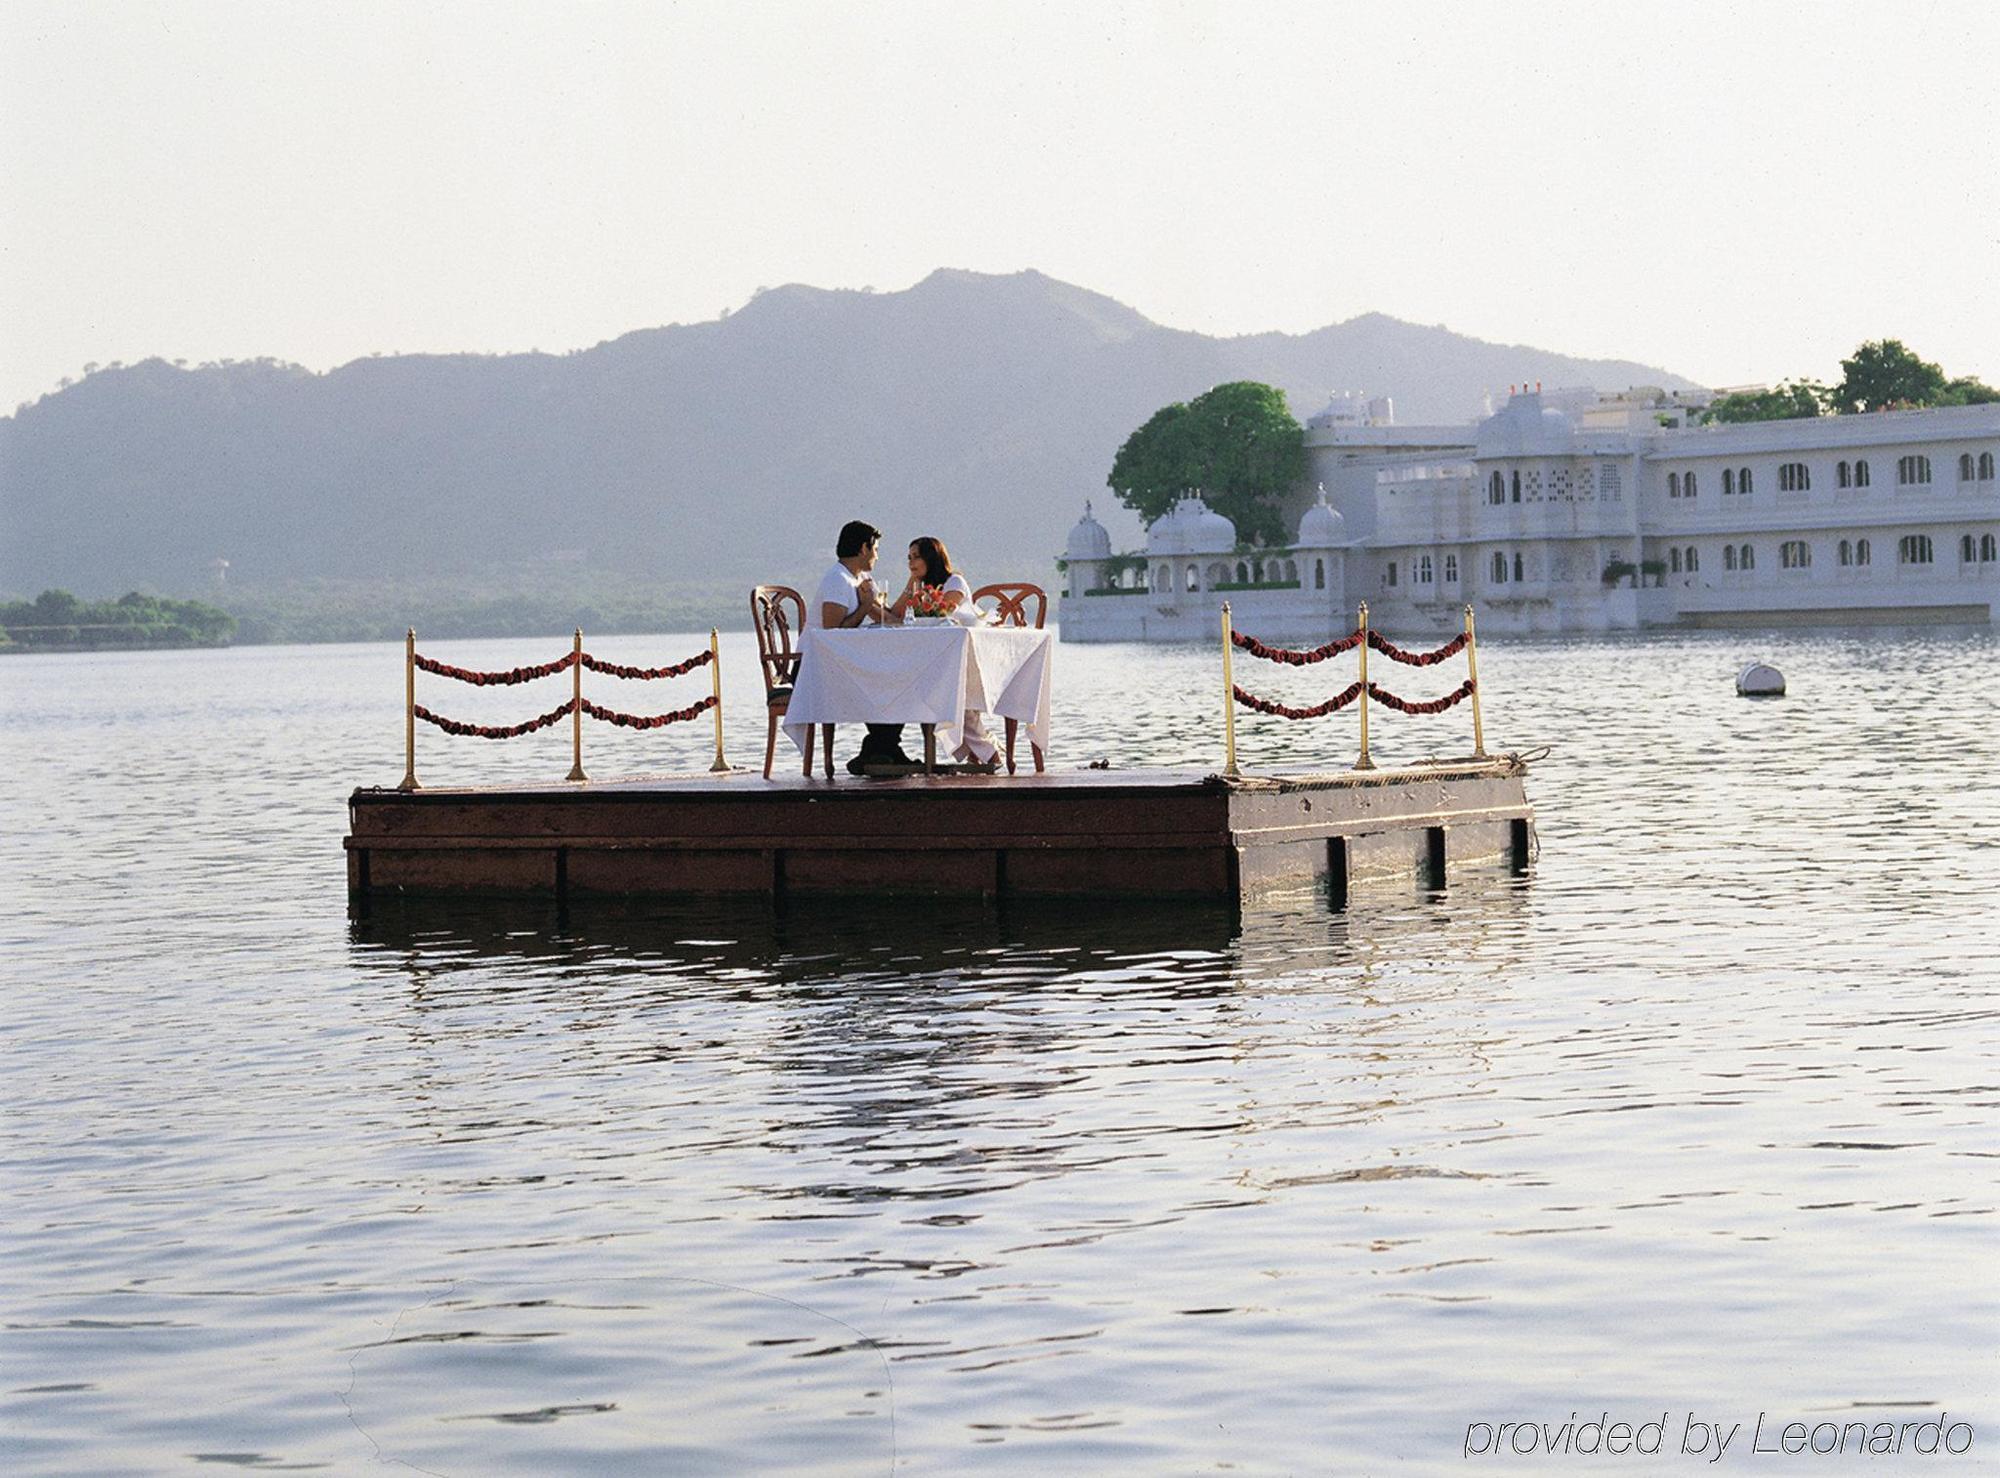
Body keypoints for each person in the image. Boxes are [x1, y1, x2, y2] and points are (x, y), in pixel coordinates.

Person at [812, 520, 914, 774]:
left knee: (901, 676)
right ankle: (881, 749)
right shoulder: (837, 579)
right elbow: (831, 633)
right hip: (819, 664)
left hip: (847, 661)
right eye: (875, 549)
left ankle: (881, 749)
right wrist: (866, 606)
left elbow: (885, 617)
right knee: (888, 681)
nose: (877, 557)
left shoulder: (862, 578)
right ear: (863, 549)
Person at [887, 536, 998, 767]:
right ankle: (977, 756)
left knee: (957, 703)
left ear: (931, 557)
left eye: (916, 557)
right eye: (908, 558)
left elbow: (941, 613)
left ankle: (989, 756)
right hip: (935, 660)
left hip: (965, 658)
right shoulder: (919, 586)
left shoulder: (954, 582)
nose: (911, 562)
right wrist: (909, 585)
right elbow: (896, 615)